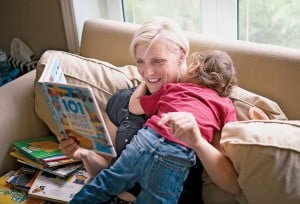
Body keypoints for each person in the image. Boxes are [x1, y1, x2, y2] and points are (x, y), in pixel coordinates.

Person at [69, 49, 240, 204]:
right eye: (141, 62)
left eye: (157, 61)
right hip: (176, 153)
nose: (149, 70)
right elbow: (231, 136)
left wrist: (145, 81)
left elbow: (134, 106)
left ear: (193, 67)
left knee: (106, 182)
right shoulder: (226, 105)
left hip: (146, 139)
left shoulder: (174, 88)